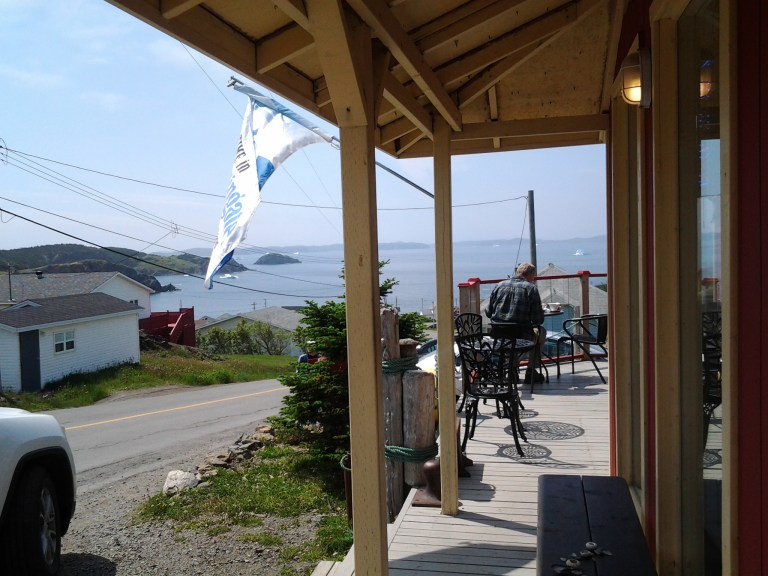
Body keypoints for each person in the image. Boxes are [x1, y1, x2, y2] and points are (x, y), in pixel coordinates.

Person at [484, 262, 546, 383]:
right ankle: (531, 371)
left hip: (499, 336)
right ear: (530, 275)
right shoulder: (531, 289)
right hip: (522, 336)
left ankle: (511, 372)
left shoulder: (499, 285)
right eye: (534, 277)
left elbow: (488, 312)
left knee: (510, 339)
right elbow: (538, 320)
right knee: (541, 333)